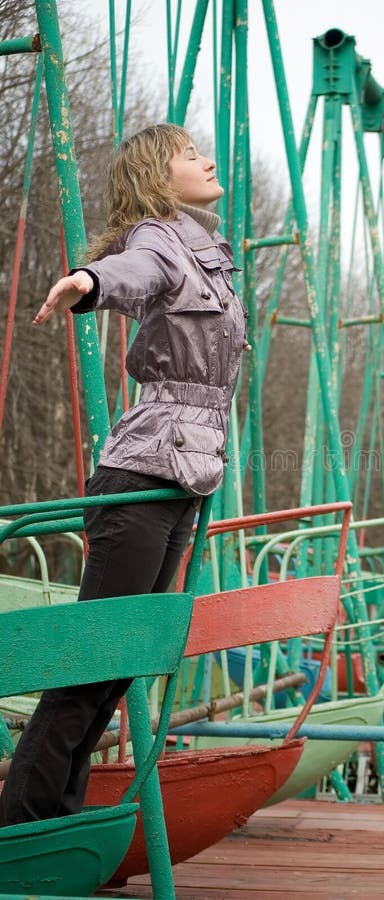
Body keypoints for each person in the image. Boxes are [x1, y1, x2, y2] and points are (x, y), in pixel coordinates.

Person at [0, 123, 248, 826]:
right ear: (157, 176)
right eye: (187, 154)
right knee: (87, 667)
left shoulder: (209, 254)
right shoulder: (157, 239)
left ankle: (60, 822)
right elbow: (132, 274)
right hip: (140, 475)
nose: (205, 157)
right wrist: (88, 281)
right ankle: (23, 827)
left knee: (116, 669)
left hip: (187, 475)